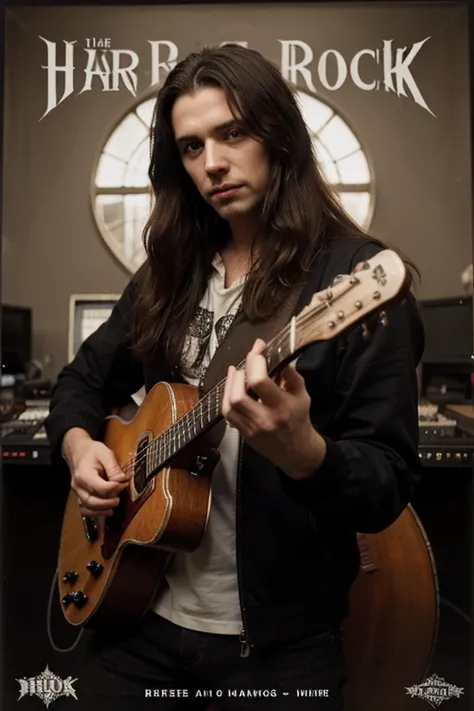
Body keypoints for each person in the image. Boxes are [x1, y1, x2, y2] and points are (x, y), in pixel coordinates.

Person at [45, 44, 424, 710]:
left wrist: (307, 455)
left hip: (275, 652)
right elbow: (79, 383)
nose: (213, 163)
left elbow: (386, 482)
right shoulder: (170, 274)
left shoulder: (351, 283)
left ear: (277, 133)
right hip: (137, 619)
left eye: (232, 133)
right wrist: (82, 448)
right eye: (191, 148)